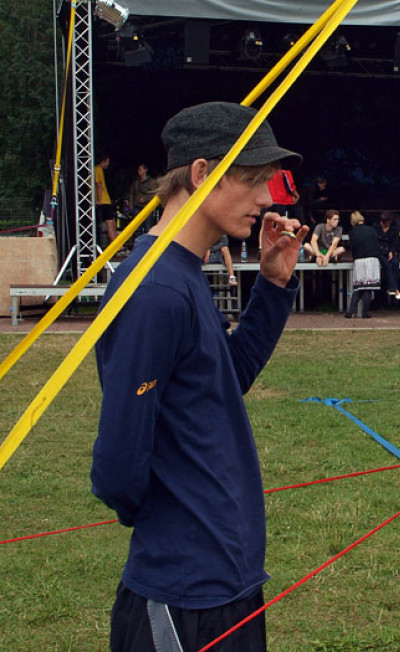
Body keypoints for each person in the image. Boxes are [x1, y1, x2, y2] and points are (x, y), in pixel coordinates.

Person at [90, 101, 306, 652]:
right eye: (255, 179)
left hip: (225, 579)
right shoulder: (155, 289)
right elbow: (117, 464)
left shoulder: (183, 273)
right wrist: (177, 520)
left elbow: (221, 385)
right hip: (183, 593)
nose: (268, 198)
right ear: (203, 173)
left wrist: (273, 289)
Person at [345, 211, 380, 318]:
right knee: (368, 288)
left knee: (358, 288)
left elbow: (352, 246)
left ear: (352, 222)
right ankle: (364, 313)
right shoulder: (372, 230)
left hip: (359, 260)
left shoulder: (352, 232)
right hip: (372, 260)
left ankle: (350, 311)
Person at [375, 210, 400, 301]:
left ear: (389, 222)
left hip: (390, 250)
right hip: (379, 252)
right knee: (386, 264)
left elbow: (395, 242)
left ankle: (391, 288)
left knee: (395, 263)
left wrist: (391, 251)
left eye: (384, 222)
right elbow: (375, 242)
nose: (382, 223)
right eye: (381, 221)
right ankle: (394, 288)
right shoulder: (376, 227)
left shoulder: (394, 228)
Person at [95, 152, 118, 244]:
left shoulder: (97, 170)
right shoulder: (98, 170)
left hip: (104, 200)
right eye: (107, 161)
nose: (108, 164)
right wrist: (99, 200)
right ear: (102, 161)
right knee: (110, 223)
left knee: (111, 223)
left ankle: (116, 244)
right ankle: (117, 245)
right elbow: (99, 185)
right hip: (104, 200)